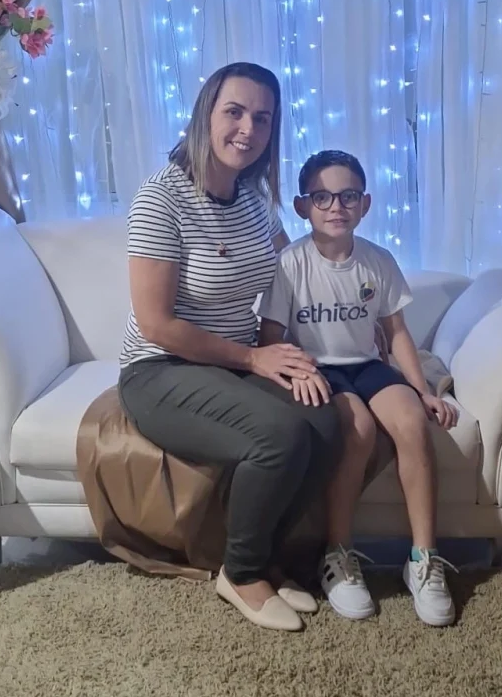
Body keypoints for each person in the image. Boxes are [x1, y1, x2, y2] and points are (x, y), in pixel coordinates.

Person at [118, 63, 340, 632]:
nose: (248, 129)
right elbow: (157, 324)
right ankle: (239, 574)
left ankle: (264, 558)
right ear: (205, 115)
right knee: (278, 435)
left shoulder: (254, 198)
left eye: (262, 119)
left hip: (233, 360)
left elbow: (294, 272)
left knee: (324, 419)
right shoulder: (161, 199)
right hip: (160, 368)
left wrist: (356, 321)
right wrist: (253, 359)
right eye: (234, 112)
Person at [258, 150, 459, 626]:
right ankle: (339, 556)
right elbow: (270, 338)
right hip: (319, 368)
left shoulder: (377, 261)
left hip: (367, 366)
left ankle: (424, 560)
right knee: (359, 430)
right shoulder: (289, 264)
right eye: (322, 197)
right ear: (302, 206)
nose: (336, 206)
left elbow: (397, 333)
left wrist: (423, 390)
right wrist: (297, 373)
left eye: (348, 196)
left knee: (411, 421)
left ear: (365, 204)